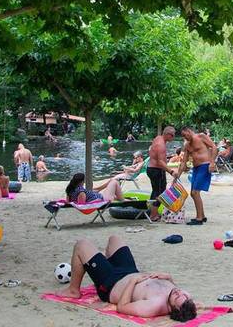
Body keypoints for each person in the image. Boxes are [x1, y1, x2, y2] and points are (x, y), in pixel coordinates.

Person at [56, 235, 196, 321]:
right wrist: (169, 278)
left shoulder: (153, 306)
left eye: (177, 297)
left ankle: (73, 290)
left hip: (110, 283)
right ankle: (100, 263)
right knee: (114, 239)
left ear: (173, 309)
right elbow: (180, 296)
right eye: (181, 293)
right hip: (129, 270)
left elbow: (122, 307)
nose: (178, 292)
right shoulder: (185, 299)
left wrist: (133, 282)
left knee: (81, 245)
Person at [176, 126, 217, 225]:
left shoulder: (201, 136)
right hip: (196, 168)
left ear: (189, 131)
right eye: (183, 137)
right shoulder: (187, 145)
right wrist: (177, 175)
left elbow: (214, 147)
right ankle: (202, 216)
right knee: (193, 193)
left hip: (205, 165)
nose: (185, 138)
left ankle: (199, 219)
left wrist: (212, 163)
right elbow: (183, 162)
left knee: (195, 192)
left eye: (185, 135)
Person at [147, 126, 178, 221]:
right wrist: (171, 171)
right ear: (167, 134)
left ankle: (153, 212)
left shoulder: (158, 138)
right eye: (172, 135)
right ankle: (153, 215)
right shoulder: (161, 145)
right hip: (157, 170)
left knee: (155, 191)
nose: (173, 138)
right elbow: (160, 162)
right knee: (160, 192)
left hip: (152, 168)